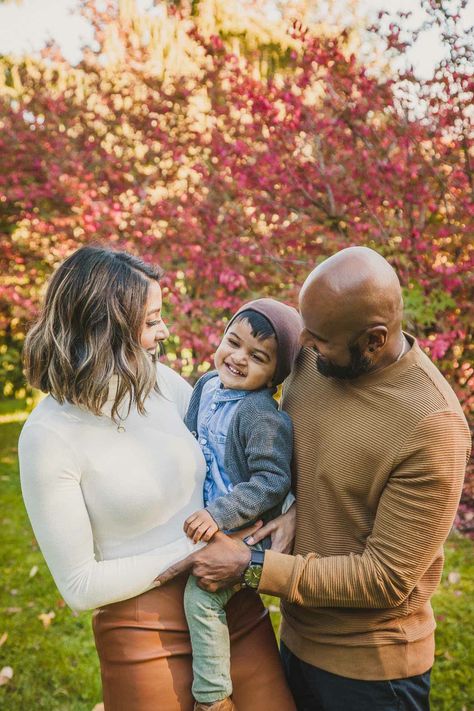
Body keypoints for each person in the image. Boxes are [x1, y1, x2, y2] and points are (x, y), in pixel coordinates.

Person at [155, 247, 471, 711]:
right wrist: (296, 507)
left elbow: (385, 579)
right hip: (296, 636)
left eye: (319, 338)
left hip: (370, 673)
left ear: (373, 340)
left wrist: (250, 565)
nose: (302, 343)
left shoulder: (432, 425)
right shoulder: (315, 354)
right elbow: (313, 465)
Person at [18, 245, 296, 711]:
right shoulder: (47, 437)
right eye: (150, 321)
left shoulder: (160, 381)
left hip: (230, 608)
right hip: (143, 635)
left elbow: (237, 458)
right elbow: (79, 586)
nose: (163, 331)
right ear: (102, 327)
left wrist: (289, 511)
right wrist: (199, 549)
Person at [182, 298, 302, 710]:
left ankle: (214, 695)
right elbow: (187, 441)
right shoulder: (205, 386)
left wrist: (218, 514)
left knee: (201, 596)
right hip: (206, 515)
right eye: (232, 342)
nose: (237, 358)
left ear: (275, 375)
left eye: (257, 357)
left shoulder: (261, 415)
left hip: (247, 530)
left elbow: (271, 482)